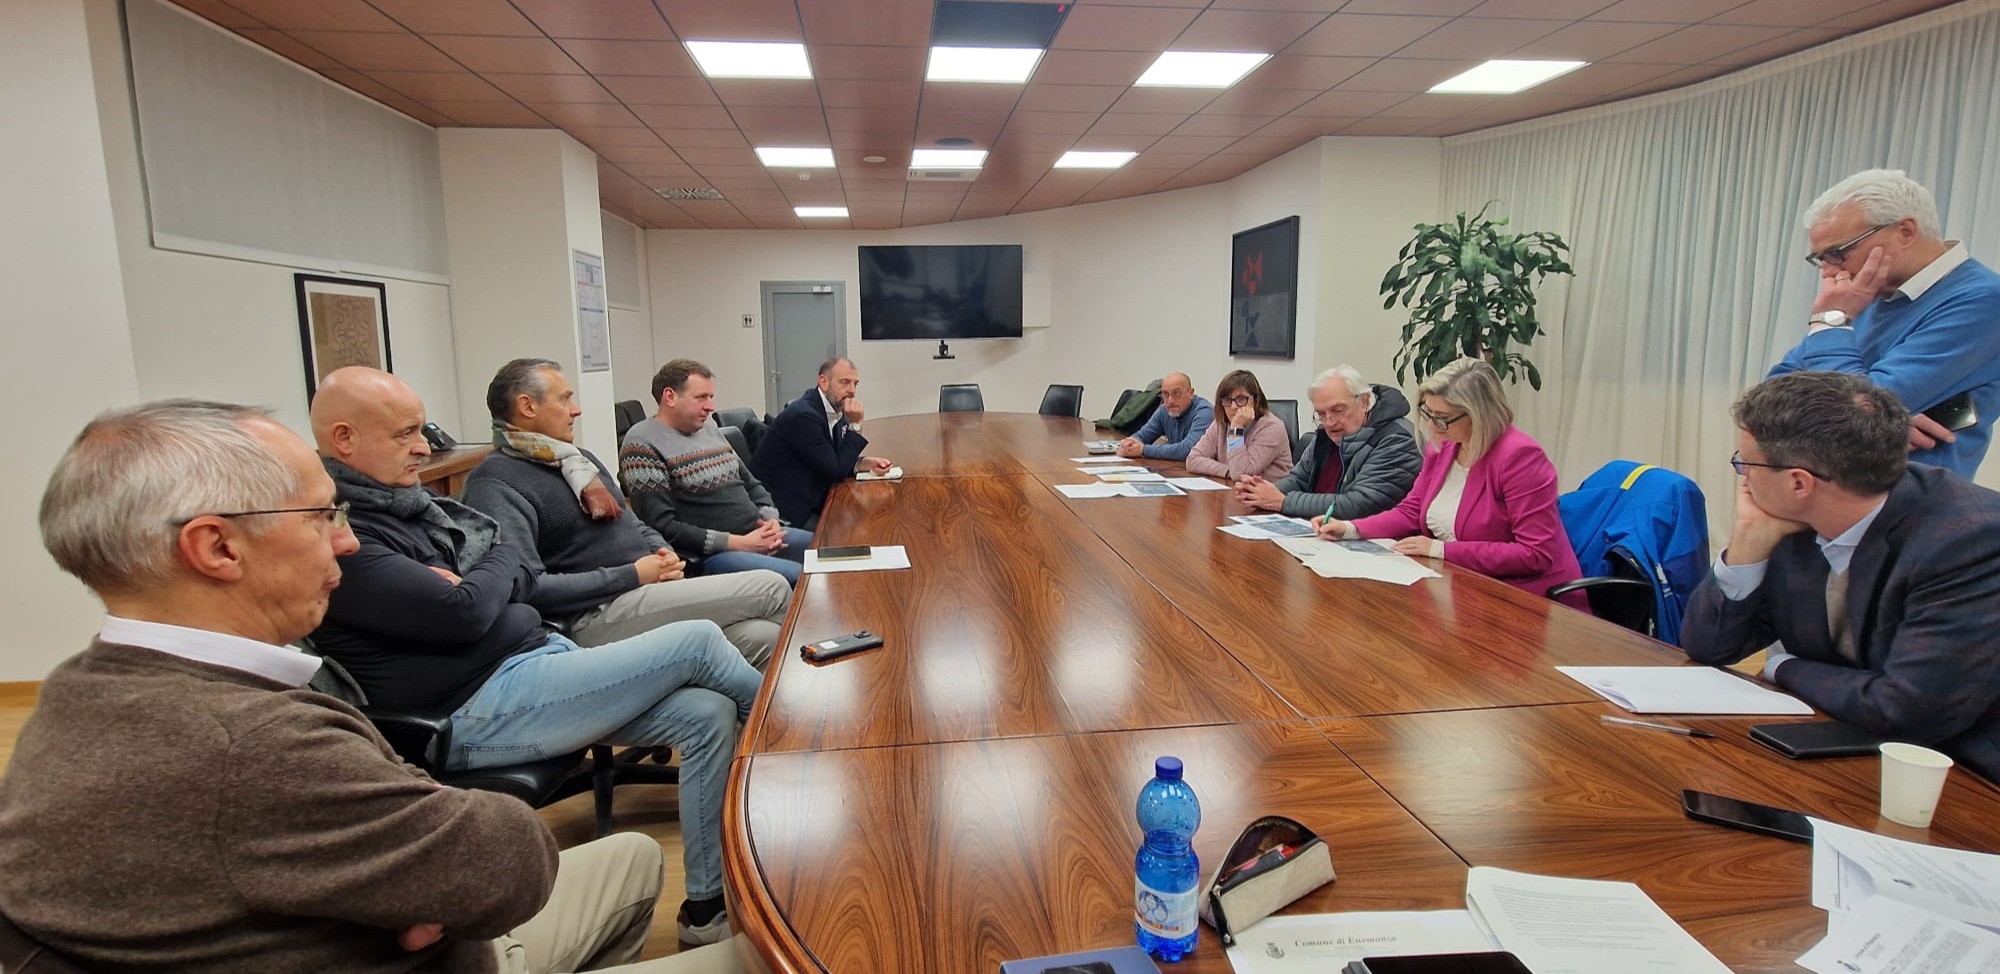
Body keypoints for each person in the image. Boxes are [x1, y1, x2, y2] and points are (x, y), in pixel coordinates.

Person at [0, 399, 743, 972]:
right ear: (217, 547)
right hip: (460, 944)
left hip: (422, 915)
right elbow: (507, 862)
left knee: (635, 853)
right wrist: (429, 895)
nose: (346, 540)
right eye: (321, 515)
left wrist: (414, 889)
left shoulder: (74, 694)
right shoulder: (253, 744)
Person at [307, 367, 760, 947]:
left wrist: (486, 580)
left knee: (707, 713)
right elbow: (472, 607)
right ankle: (804, 741)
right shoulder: (346, 537)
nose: (424, 447)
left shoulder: (417, 507)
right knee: (697, 640)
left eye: (421, 430)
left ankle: (705, 910)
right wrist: (491, 579)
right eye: (405, 434)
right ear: (344, 439)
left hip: (529, 662)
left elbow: (498, 581)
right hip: (472, 708)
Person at [1683, 371, 2000, 782]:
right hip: (1837, 743)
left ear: (1799, 483)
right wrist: (1746, 546)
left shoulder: (1969, 541)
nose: (1742, 476)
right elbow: (1708, 646)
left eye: (1745, 463)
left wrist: (1784, 667)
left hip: (1960, 775)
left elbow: (1907, 710)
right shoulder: (1794, 521)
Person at [464, 358, 791, 667]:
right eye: (564, 399)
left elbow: (634, 522)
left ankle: (764, 709)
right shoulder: (495, 482)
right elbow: (528, 587)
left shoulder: (577, 460)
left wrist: (664, 555)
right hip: (594, 613)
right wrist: (634, 574)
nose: (576, 409)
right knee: (772, 587)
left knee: (763, 636)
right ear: (527, 406)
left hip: (645, 589)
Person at [1769, 168, 2000, 477]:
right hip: (1827, 489)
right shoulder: (1864, 296)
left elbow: (1853, 414)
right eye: (1820, 259)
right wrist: (1881, 424)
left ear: (1905, 231)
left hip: (1907, 499)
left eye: (1837, 253)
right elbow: (1767, 399)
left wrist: (1830, 322)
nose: (1829, 272)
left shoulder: (1983, 300)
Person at [1315, 358, 1585, 608]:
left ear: (1479, 414)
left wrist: (1440, 549)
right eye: (1429, 413)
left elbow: (1534, 553)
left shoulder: (1520, 457)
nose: (1432, 426)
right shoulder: (1445, 446)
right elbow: (1411, 510)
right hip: (1462, 586)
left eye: (1442, 418)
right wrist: (1350, 529)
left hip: (1526, 599)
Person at [622, 359, 813, 586]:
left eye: (711, 397)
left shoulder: (708, 430)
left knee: (829, 550)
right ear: (670, 397)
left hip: (759, 533)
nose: (710, 406)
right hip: (713, 554)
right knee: (804, 579)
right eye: (701, 397)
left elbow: (750, 482)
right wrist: (740, 543)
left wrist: (770, 518)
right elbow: (663, 526)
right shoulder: (641, 444)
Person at [1235, 365, 1420, 520]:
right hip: (1319, 532)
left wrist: (1283, 502)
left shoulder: (1397, 440)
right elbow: (1298, 479)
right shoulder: (1326, 436)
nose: (1329, 422)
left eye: (1338, 410)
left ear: (1364, 402)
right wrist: (1261, 492)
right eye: (1321, 414)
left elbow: (1359, 504)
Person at [749, 356, 893, 530]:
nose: (852, 391)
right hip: (787, 508)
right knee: (851, 531)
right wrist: (855, 425)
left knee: (868, 518)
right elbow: (835, 471)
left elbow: (833, 458)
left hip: (812, 494)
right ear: (823, 382)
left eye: (855, 384)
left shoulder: (834, 409)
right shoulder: (804, 416)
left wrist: (860, 464)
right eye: (845, 383)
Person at [1185, 369, 1293, 481]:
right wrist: (1228, 471)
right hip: (1233, 487)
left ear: (1255, 401)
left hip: (1271, 490)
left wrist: (1236, 429)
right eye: (1227, 400)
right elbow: (1193, 460)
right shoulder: (1221, 423)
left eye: (1241, 400)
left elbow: (1241, 473)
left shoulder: (1272, 428)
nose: (1233, 407)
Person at [1116, 372, 1213, 461]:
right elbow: (1143, 435)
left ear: (1190, 393)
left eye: (1176, 394)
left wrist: (1143, 450)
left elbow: (1188, 450)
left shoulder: (1204, 412)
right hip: (1177, 468)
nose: (1170, 401)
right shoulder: (1164, 410)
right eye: (1166, 394)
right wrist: (1129, 443)